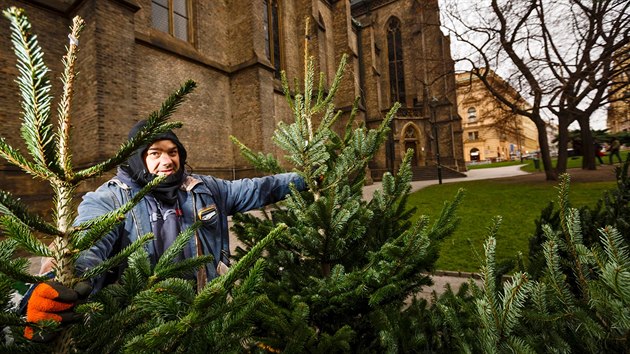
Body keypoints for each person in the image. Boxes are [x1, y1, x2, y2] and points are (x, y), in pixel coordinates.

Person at [23, 120, 306, 341]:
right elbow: (88, 244)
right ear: (137, 158)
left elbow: (259, 188)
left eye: (173, 153)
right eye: (155, 153)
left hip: (204, 315)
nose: (167, 161)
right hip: (140, 329)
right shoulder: (111, 198)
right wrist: (58, 287)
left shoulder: (205, 190)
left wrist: (302, 178)